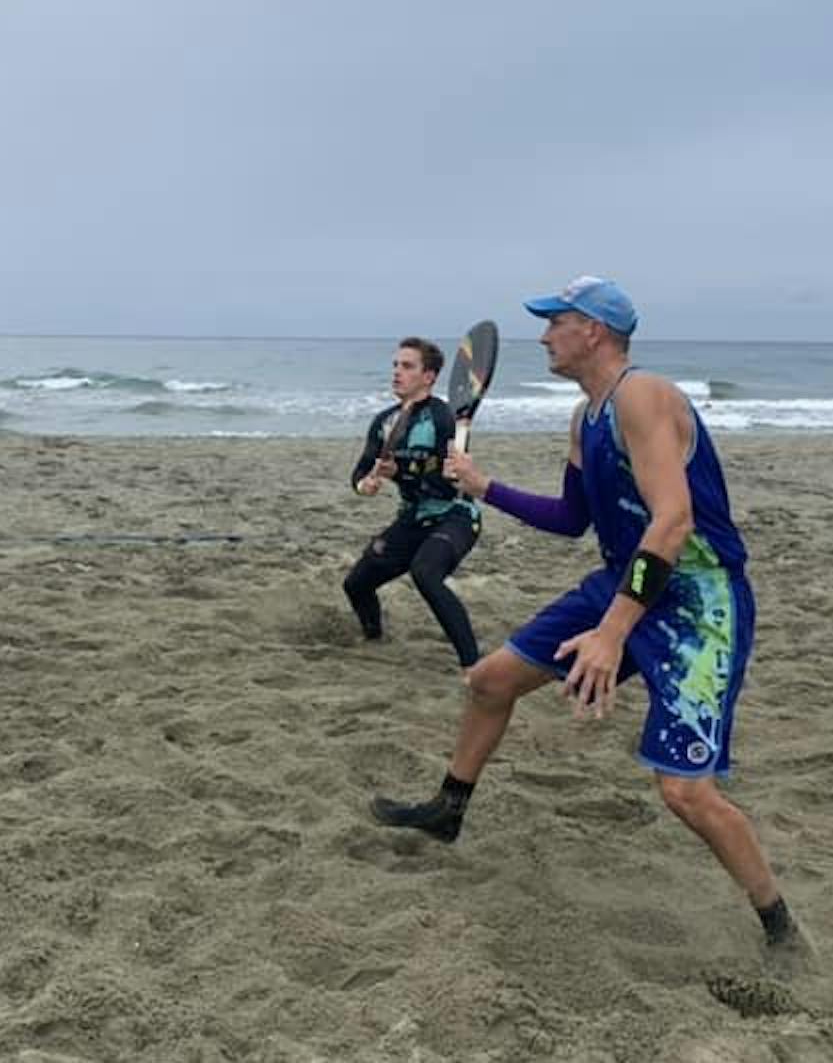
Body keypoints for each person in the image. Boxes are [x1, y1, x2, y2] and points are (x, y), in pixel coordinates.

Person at [367, 277, 809, 961]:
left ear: (593, 332)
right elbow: (574, 519)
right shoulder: (586, 416)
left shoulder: (644, 396)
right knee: (489, 682)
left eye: (556, 323)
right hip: (623, 579)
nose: (544, 336)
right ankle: (449, 810)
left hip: (697, 602)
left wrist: (612, 632)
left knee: (685, 792)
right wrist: (487, 489)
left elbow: (673, 521)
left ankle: (781, 928)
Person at [344, 338, 484, 670]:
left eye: (407, 366)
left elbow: (452, 478)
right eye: (395, 365)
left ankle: (473, 665)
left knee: (425, 572)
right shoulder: (384, 422)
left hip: (455, 515)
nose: (397, 372)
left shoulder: (444, 417)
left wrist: (402, 470)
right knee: (356, 584)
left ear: (429, 376)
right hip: (412, 519)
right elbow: (360, 473)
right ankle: (374, 640)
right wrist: (368, 484)